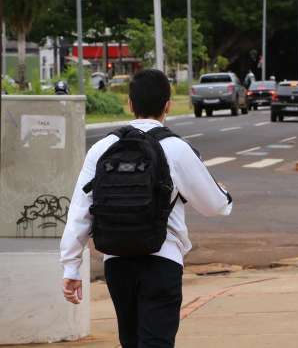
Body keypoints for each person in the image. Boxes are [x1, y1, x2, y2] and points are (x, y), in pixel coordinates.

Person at [60, 69, 233, 348]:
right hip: (162, 261)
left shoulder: (103, 148)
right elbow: (215, 205)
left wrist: (71, 267)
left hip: (117, 262)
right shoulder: (176, 148)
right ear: (167, 105)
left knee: (131, 341)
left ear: (130, 104)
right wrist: (226, 197)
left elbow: (81, 210)